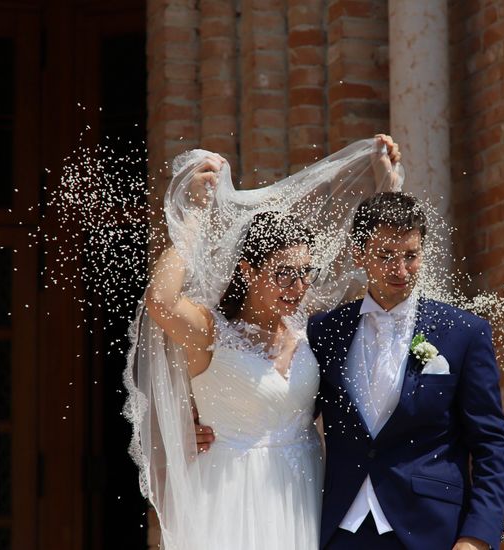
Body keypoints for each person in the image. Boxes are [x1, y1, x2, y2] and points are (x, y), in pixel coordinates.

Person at [123, 136, 402, 550]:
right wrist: (195, 218)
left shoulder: (313, 328)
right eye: (284, 273)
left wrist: (389, 187)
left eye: (306, 272)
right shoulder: (211, 331)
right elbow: (161, 302)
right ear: (249, 272)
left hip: (304, 488)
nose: (298, 286)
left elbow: (379, 282)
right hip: (231, 492)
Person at [308, 192, 504, 550]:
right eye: (385, 256)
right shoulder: (325, 332)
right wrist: (210, 423)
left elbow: (491, 444)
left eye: (410, 256)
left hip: (431, 530)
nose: (400, 270)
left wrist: (477, 537)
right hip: (340, 527)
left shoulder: (464, 333)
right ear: (359, 254)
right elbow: (291, 408)